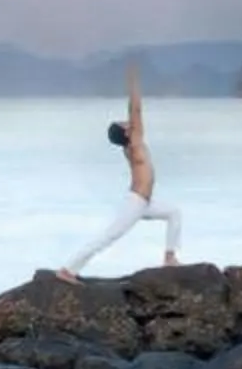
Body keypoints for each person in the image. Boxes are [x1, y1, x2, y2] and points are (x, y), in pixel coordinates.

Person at [58, 60, 181, 278]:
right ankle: (68, 270)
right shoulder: (134, 145)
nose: (128, 122)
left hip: (145, 203)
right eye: (125, 123)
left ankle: (169, 257)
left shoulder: (133, 144)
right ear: (126, 133)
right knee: (107, 237)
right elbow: (136, 108)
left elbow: (134, 114)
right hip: (136, 203)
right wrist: (133, 81)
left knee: (174, 213)